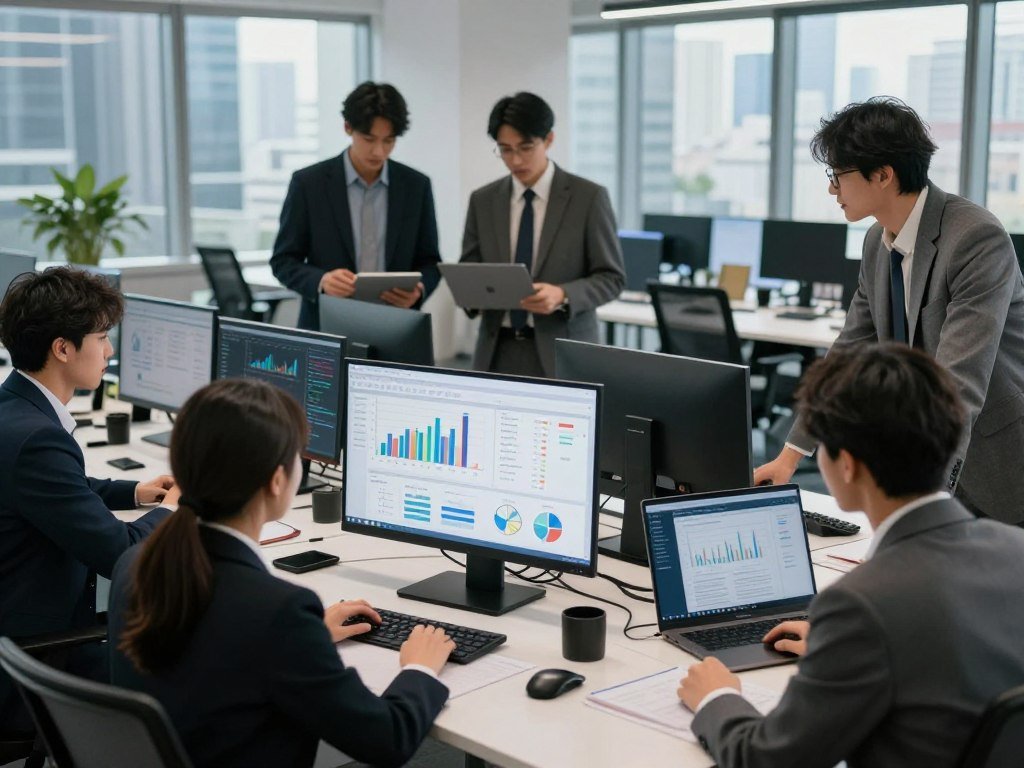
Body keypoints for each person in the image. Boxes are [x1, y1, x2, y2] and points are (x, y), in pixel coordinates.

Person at [679, 344, 1024, 767]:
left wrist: (717, 697)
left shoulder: (859, 605)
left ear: (848, 466)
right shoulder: (1016, 550)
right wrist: (841, 656)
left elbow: (766, 760)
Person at [108, 379, 453, 768]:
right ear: (276, 480)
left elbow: (213, 657)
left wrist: (311, 638)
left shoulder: (136, 562)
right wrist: (420, 667)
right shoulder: (277, 611)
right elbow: (387, 740)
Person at [755, 97, 1024, 525]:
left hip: (997, 467)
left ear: (883, 175)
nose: (832, 189)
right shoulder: (877, 244)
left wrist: (919, 511)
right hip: (921, 468)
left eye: (837, 175)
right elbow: (846, 354)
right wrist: (791, 455)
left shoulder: (975, 238)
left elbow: (958, 387)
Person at [0, 267, 177, 729]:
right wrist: (175, 510)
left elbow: (52, 490)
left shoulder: (14, 410)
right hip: (38, 667)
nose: (110, 351)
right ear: (62, 348)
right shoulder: (37, 439)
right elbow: (120, 554)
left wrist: (135, 492)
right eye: (102, 337)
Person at [460, 91, 625, 377]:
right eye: (505, 149)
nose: (515, 160)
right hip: (496, 350)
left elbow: (612, 278)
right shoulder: (483, 200)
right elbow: (468, 271)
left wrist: (562, 294)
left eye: (525, 147)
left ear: (548, 140)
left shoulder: (588, 198)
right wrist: (471, 291)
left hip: (565, 350)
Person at [271, 81, 442, 330]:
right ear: (348, 128)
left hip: (396, 326)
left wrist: (419, 289)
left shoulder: (416, 186)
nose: (379, 151)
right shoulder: (309, 184)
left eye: (389, 141)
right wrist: (322, 281)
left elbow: (430, 262)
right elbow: (283, 260)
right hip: (327, 325)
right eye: (369, 139)